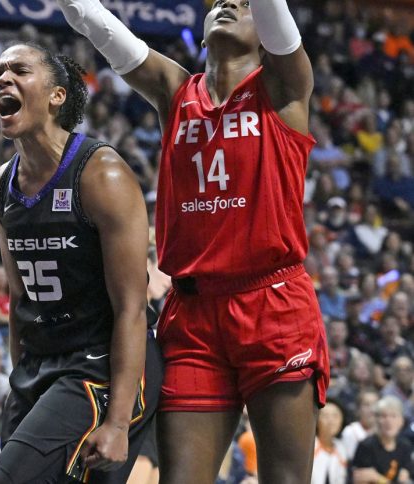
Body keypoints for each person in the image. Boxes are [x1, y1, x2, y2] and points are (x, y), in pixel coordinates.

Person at [58, 0, 330, 482]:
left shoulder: (284, 87)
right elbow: (87, 16)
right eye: (220, 1)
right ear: (200, 34)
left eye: (244, 3)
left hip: (273, 303)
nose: (228, 4)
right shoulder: (176, 91)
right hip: (193, 314)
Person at [0, 42, 162, 483]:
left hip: (99, 363)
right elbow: (19, 296)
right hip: (39, 365)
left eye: (18, 70)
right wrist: (19, 381)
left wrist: (119, 422)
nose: (2, 79)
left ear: (57, 95)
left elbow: (131, 308)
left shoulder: (103, 175)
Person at [351, 396, 413, 484]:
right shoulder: (366, 446)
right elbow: (361, 478)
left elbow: (407, 477)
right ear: (376, 420)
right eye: (384, 416)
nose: (389, 421)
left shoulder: (405, 446)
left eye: (393, 416)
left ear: (402, 421)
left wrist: (379, 479)